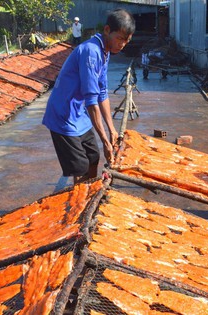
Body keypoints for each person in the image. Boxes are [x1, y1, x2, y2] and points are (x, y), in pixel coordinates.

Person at [43, 9, 135, 185]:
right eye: (120, 38)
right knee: (80, 166)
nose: (122, 44)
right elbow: (91, 101)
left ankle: (88, 192)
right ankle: (79, 200)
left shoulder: (105, 51)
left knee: (93, 156)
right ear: (107, 30)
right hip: (64, 115)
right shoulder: (91, 52)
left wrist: (112, 130)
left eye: (127, 41)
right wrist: (105, 140)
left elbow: (102, 93)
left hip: (79, 115)